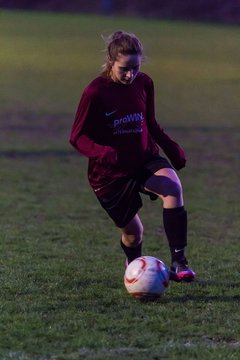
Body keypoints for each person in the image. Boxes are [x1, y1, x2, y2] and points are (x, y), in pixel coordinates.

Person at [70, 31, 195, 282]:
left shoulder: (144, 83)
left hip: (143, 159)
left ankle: (179, 262)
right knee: (133, 235)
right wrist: (103, 153)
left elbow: (150, 122)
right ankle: (133, 265)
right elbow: (77, 136)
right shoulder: (95, 92)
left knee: (172, 188)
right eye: (124, 69)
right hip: (109, 173)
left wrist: (171, 148)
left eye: (135, 68)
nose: (130, 75)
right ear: (111, 62)